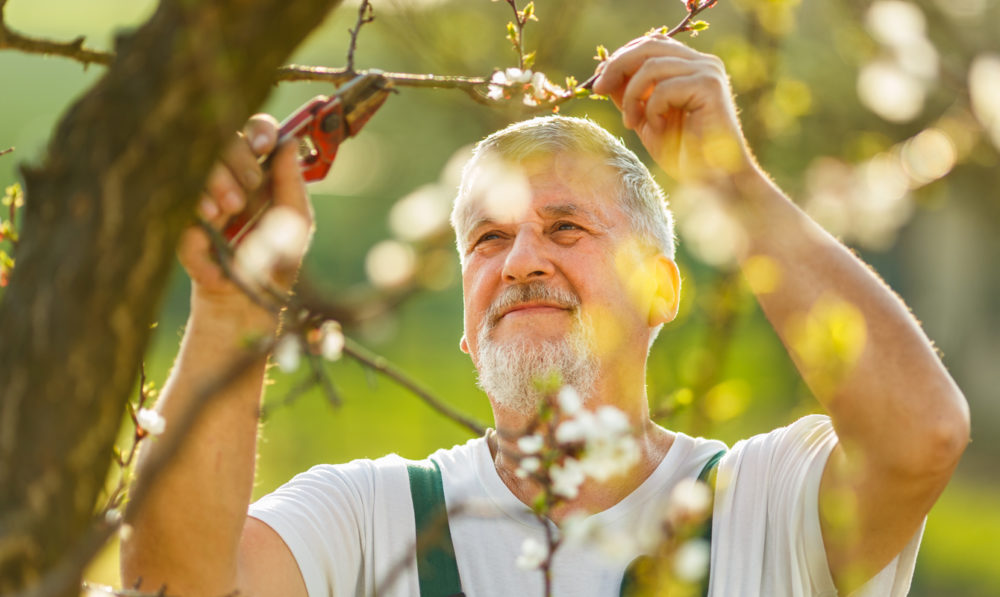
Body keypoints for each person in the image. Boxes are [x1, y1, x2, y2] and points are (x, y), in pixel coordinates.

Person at [121, 36, 969, 596]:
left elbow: (921, 436)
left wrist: (732, 181)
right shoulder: (375, 518)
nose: (522, 257)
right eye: (488, 240)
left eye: (566, 226)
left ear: (661, 291)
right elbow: (174, 584)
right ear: (465, 318)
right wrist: (234, 300)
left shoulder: (761, 506)